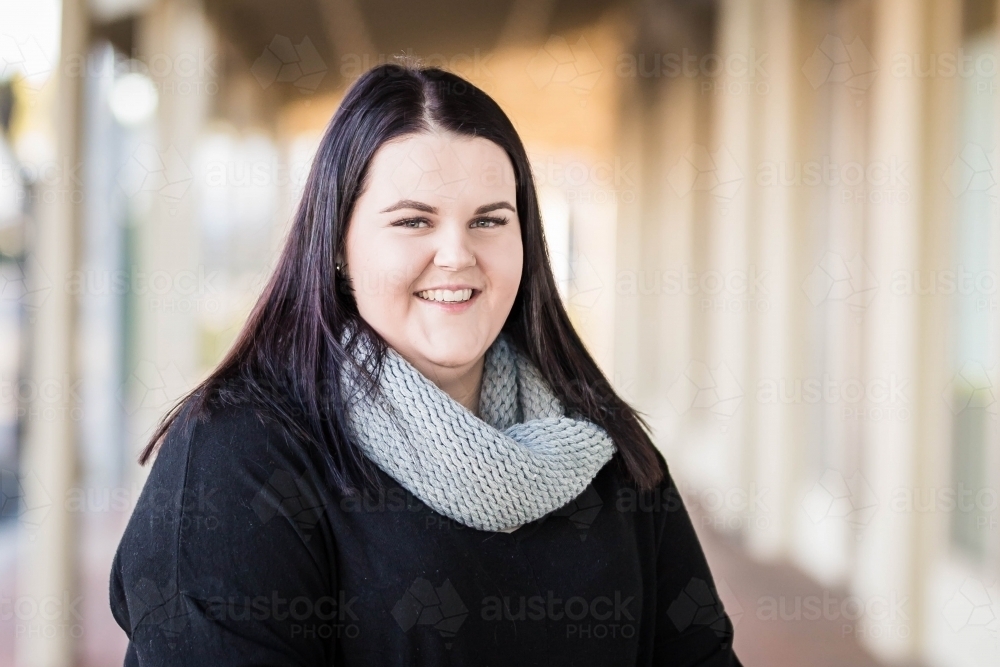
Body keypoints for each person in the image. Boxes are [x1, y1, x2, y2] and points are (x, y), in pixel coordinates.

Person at [109, 61, 744, 666]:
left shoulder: (610, 454)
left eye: (489, 220)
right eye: (414, 221)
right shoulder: (237, 458)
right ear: (336, 246)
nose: (456, 255)